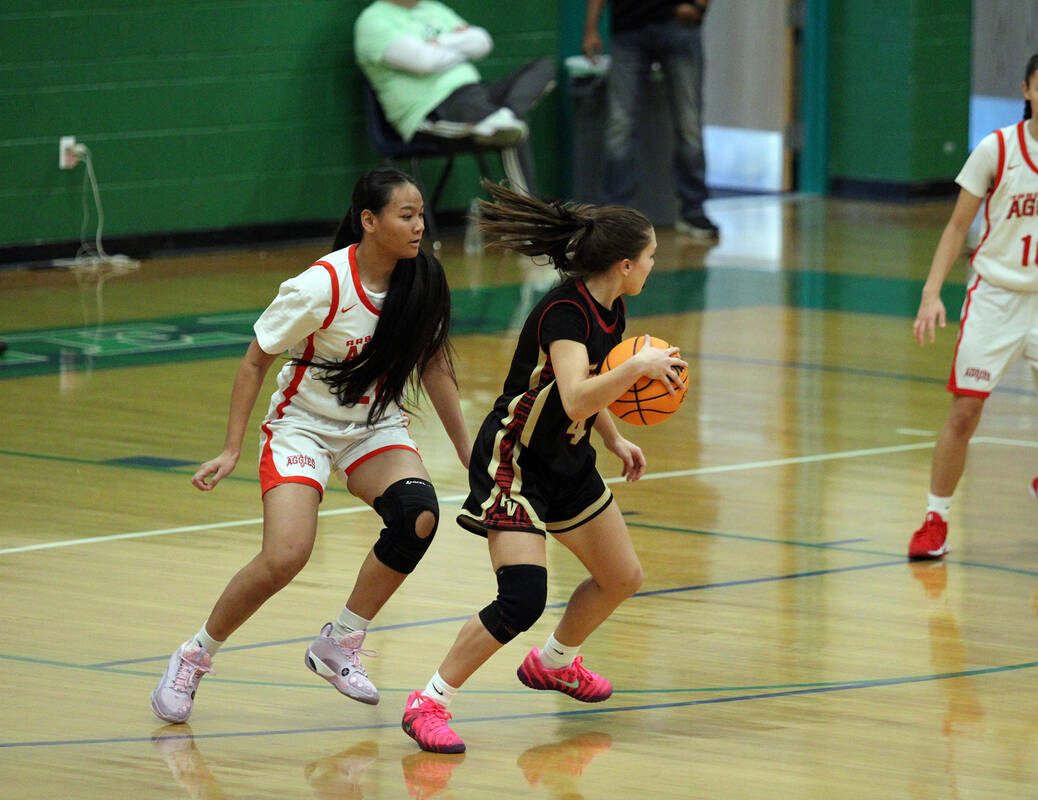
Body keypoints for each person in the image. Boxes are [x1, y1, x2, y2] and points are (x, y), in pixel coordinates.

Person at [150, 166, 472, 724]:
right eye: (407, 214)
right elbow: (255, 360)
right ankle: (195, 654)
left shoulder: (423, 280)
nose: (420, 224)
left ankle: (341, 642)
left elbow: (436, 366)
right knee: (285, 556)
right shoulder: (320, 286)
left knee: (418, 515)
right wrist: (230, 449)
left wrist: (470, 453)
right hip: (302, 426)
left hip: (374, 428)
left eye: (421, 214)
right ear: (369, 222)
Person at [400, 181, 687, 753]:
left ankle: (554, 662)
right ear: (626, 264)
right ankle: (428, 701)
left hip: (569, 457)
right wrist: (639, 369)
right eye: (651, 257)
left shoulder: (613, 306)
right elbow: (578, 392)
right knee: (523, 597)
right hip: (516, 460)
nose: (654, 266)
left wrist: (614, 437)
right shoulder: (565, 311)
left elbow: (582, 396)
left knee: (622, 577)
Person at [907, 49, 1038, 560]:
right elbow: (958, 225)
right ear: (1026, 91)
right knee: (964, 412)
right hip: (996, 299)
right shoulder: (996, 148)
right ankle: (935, 520)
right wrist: (932, 292)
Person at [355, 0, 556, 193]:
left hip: (476, 94)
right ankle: (531, 221)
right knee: (514, 130)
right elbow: (423, 62)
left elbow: (482, 42)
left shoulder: (433, 8)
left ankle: (504, 115)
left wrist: (438, 44)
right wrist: (461, 46)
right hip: (433, 110)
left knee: (543, 67)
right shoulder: (373, 21)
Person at [582, 0, 719, 240]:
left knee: (689, 124)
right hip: (628, 28)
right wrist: (591, 28)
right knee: (620, 125)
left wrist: (699, 6)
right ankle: (616, 214)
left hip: (678, 25)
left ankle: (693, 209)